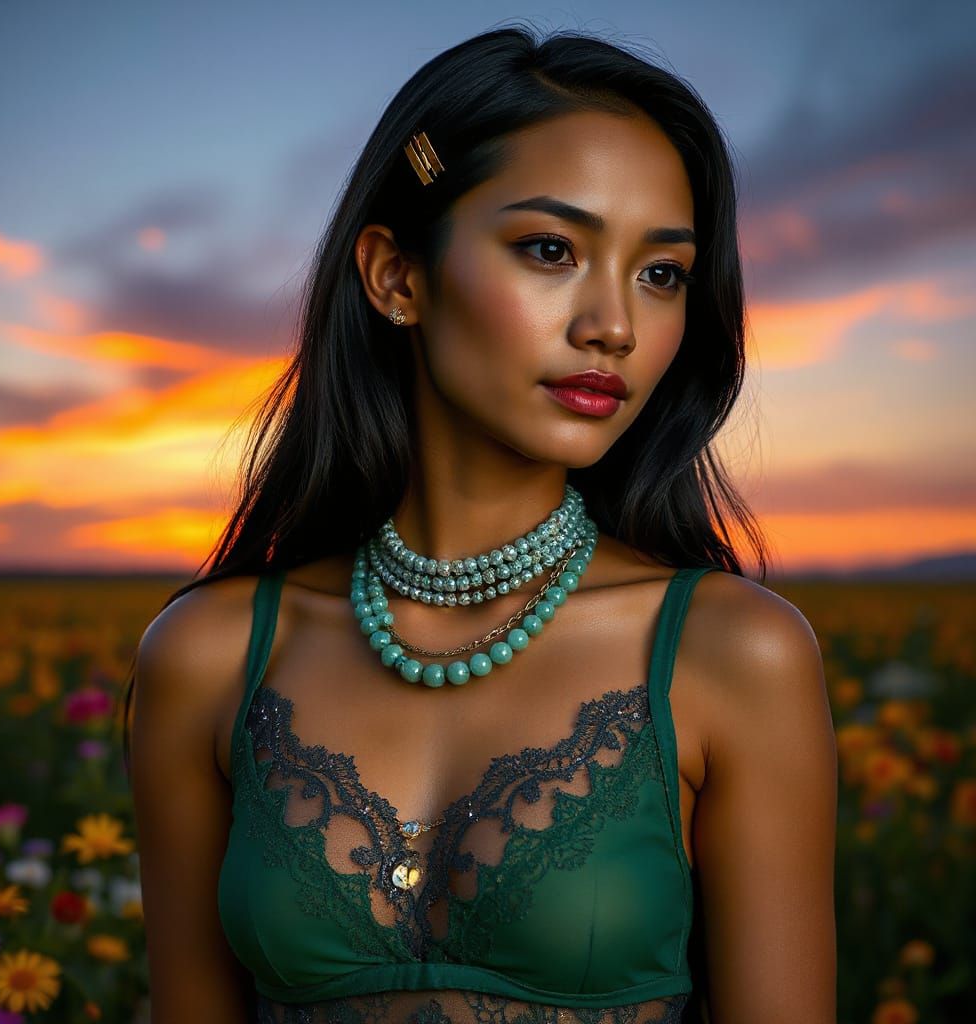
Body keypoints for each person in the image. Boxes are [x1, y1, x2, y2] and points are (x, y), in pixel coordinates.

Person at [122, 24, 838, 1024]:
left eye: (661, 273)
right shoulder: (207, 656)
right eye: (551, 250)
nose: (614, 325)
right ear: (396, 278)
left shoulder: (732, 653)